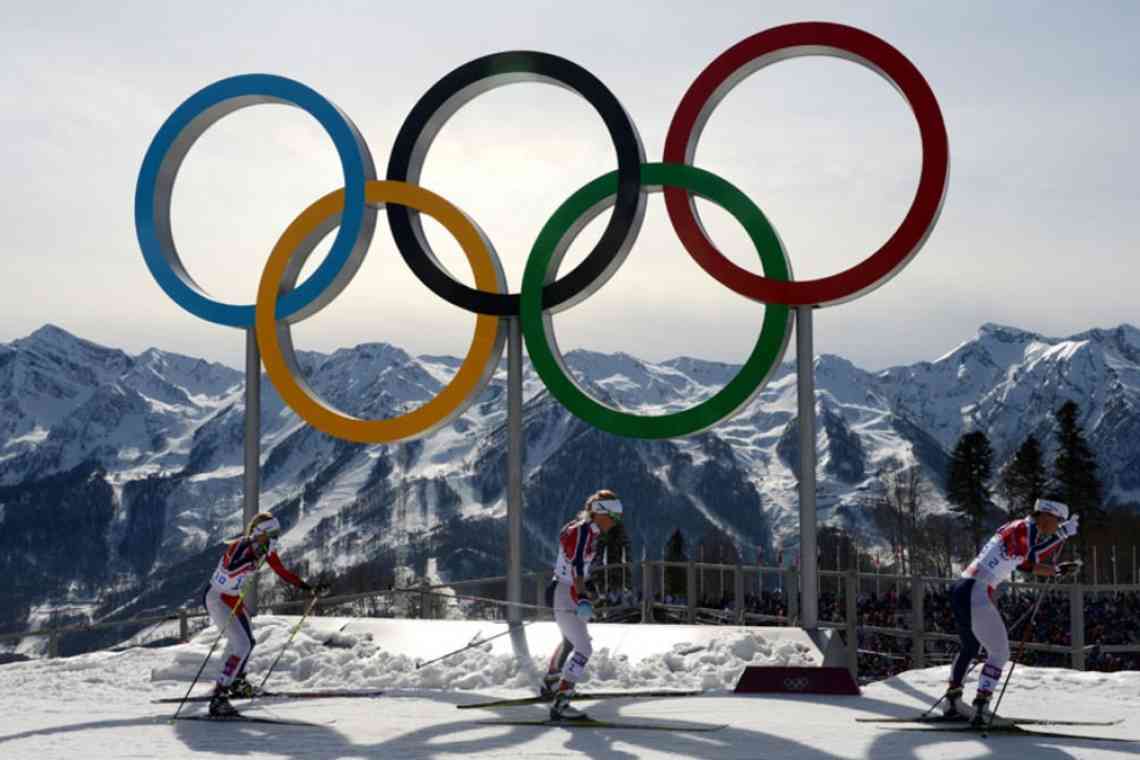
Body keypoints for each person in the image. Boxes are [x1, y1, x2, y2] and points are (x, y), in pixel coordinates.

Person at [943, 498, 1081, 726]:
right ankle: (981, 706)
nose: (1057, 526)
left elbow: (1026, 564)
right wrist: (1062, 536)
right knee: (999, 652)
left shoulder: (1020, 528)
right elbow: (1032, 559)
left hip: (964, 587)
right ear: (1046, 515)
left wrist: (1056, 569)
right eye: (1058, 521)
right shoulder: (1023, 529)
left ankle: (952, 701)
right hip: (976, 591)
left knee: (969, 647)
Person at [203, 512, 318, 717]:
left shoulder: (265, 549)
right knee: (242, 645)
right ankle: (218, 697)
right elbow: (230, 570)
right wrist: (252, 559)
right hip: (218, 599)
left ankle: (237, 682)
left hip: (232, 599)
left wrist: (307, 588)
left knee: (249, 642)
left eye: (277, 533)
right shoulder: (240, 546)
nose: (275, 538)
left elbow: (281, 571)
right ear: (260, 533)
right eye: (272, 533)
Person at [540, 489, 624, 721]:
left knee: (571, 641)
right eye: (614, 516)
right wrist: (583, 597)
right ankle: (561, 701)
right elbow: (576, 565)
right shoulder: (582, 532)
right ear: (599, 513)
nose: (616, 522)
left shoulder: (586, 529)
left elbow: (577, 566)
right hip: (565, 591)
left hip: (565, 590)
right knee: (584, 648)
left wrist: (583, 593)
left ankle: (552, 682)